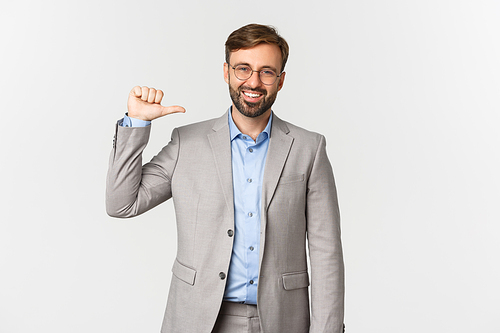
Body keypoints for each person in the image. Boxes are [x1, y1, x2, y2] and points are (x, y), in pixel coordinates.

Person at [106, 23, 344, 333]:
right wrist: (136, 123)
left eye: (266, 72)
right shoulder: (186, 143)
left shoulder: (309, 148)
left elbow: (327, 253)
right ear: (226, 71)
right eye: (243, 69)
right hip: (198, 318)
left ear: (281, 80)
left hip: (282, 319)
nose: (253, 82)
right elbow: (121, 204)